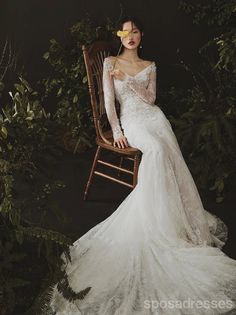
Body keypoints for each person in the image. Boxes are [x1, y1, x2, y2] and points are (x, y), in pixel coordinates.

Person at [46, 16, 236, 314]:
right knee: (157, 152)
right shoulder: (110, 62)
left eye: (135, 32)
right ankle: (153, 219)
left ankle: (173, 216)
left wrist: (132, 82)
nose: (130, 36)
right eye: (125, 32)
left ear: (140, 36)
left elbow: (150, 98)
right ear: (119, 37)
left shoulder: (150, 65)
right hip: (132, 121)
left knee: (165, 148)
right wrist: (118, 131)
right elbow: (110, 103)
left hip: (153, 116)